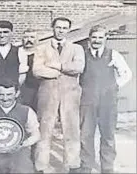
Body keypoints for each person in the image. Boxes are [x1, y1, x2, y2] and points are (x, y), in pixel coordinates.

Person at [33, 17, 85, 173]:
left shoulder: (76, 48)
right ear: (52, 28)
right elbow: (37, 70)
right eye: (58, 27)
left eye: (64, 28)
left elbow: (79, 67)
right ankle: (41, 166)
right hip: (48, 92)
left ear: (68, 30)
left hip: (70, 93)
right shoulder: (42, 48)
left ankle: (73, 164)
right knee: (44, 129)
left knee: (72, 129)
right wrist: (59, 72)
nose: (61, 30)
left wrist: (59, 65)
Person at [79, 25, 132, 173]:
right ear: (89, 39)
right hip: (87, 102)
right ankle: (86, 166)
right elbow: (76, 76)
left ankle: (107, 167)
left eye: (100, 37)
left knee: (108, 135)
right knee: (85, 135)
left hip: (108, 103)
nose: (97, 40)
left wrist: (115, 86)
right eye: (94, 37)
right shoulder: (82, 55)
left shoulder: (113, 54)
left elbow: (126, 73)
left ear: (105, 38)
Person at [19, 29, 40, 112]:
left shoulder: (41, 53)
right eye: (26, 37)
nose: (29, 40)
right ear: (22, 39)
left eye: (32, 37)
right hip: (21, 87)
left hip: (37, 87)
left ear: (37, 39)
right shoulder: (17, 53)